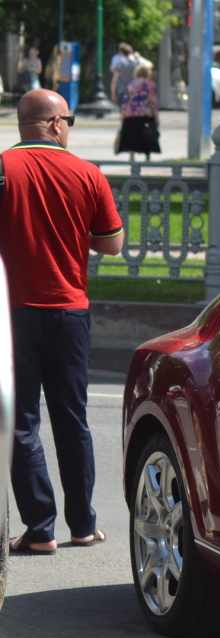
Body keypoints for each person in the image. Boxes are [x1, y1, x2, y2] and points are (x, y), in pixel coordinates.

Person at [0, 90, 124, 554]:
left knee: (21, 423)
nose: (69, 127)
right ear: (54, 124)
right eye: (68, 119)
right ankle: (83, 526)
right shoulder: (87, 173)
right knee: (73, 420)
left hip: (12, 314)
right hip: (70, 312)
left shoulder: (2, 168)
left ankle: (39, 529)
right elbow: (110, 244)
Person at [116, 64, 160, 162]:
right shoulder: (150, 84)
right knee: (146, 135)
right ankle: (147, 155)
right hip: (145, 114)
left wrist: (123, 115)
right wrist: (156, 116)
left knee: (131, 134)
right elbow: (153, 101)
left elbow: (126, 100)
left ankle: (131, 155)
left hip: (130, 113)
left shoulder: (131, 84)